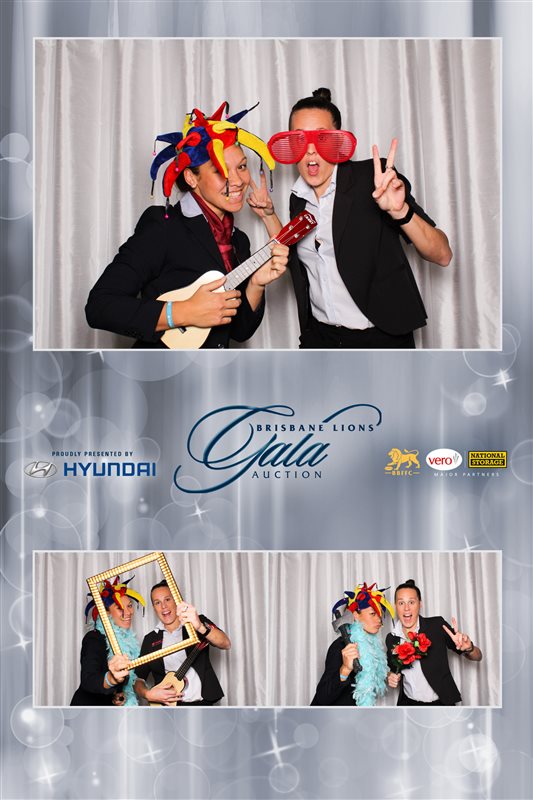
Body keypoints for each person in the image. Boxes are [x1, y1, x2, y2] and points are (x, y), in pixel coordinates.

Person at [85, 101, 288, 348]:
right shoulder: (163, 226)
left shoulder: (238, 240)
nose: (237, 180)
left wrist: (256, 283)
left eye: (242, 167)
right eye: (220, 170)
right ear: (191, 177)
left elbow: (240, 331)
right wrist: (183, 313)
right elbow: (100, 306)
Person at [261, 87, 452, 348]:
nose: (311, 150)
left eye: (322, 138)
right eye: (300, 139)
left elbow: (442, 255)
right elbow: (293, 257)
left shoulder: (372, 180)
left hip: (379, 341)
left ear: (338, 141)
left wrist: (400, 211)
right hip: (321, 338)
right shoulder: (299, 198)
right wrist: (268, 215)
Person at [386, 579, 482, 705]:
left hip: (441, 704)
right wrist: (389, 676)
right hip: (408, 704)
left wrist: (469, 648)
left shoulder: (437, 626)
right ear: (395, 606)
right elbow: (392, 670)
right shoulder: (391, 638)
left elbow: (478, 657)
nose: (406, 608)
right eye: (401, 603)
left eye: (411, 602)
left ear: (420, 604)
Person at [134, 580, 230, 706]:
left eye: (167, 599)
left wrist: (200, 627)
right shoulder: (150, 639)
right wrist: (147, 694)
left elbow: (225, 643)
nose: (163, 606)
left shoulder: (196, 622)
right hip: (166, 709)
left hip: (202, 705)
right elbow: (138, 679)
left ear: (177, 600)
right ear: (154, 608)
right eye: (157, 602)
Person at [311, 582, 395, 706]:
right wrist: (345, 669)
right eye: (373, 614)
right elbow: (323, 697)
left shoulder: (374, 646)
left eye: (380, 615)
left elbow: (372, 672)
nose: (379, 620)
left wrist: (387, 675)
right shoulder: (340, 646)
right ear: (355, 615)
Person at [71, 576, 145, 706]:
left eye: (129, 606)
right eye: (119, 607)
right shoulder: (94, 638)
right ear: (107, 613)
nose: (128, 612)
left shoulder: (128, 641)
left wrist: (118, 694)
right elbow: (88, 680)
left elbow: (126, 681)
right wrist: (111, 678)